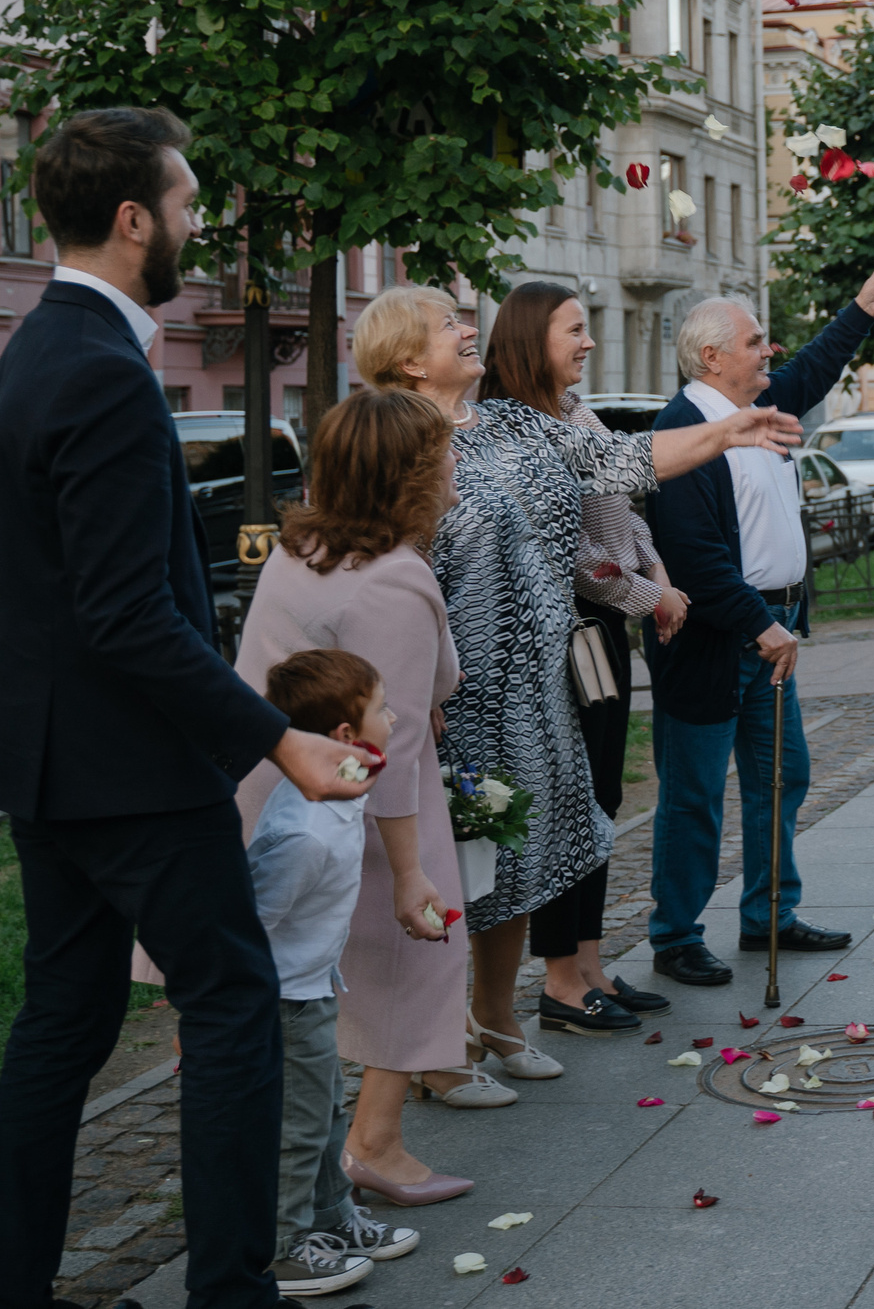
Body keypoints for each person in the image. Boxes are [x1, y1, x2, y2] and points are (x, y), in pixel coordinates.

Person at [0, 106, 372, 1309]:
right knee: (235, 1003)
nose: (199, 226)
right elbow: (125, 615)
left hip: (50, 767)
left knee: (64, 1022)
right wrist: (278, 741)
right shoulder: (102, 369)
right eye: (189, 205)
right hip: (132, 772)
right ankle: (232, 1291)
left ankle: (9, 1291)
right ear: (135, 218)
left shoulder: (38, 344)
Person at [352, 282, 801, 1077]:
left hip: (540, 684)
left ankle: (496, 1020)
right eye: (448, 323)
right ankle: (434, 1054)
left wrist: (728, 430)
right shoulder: (392, 441)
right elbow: (386, 576)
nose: (468, 330)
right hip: (455, 696)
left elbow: (624, 461)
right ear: (408, 361)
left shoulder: (512, 422)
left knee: (522, 858)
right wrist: (411, 690)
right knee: (452, 869)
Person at [228, 387, 496, 1215]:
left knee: (291, 967)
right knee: (420, 953)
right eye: (442, 453)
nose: (455, 464)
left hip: (270, 786)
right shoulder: (393, 579)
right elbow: (394, 745)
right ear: (407, 474)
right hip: (354, 796)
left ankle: (296, 1150)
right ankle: (374, 1145)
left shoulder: (301, 549)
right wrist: (413, 872)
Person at [642, 263, 874, 988]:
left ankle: (770, 913)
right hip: (716, 637)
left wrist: (862, 309)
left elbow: (813, 369)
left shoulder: (759, 407)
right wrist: (759, 623)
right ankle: (675, 934)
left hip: (772, 628)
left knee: (780, 776)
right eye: (754, 341)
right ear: (712, 357)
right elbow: (694, 558)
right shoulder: (683, 430)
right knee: (694, 792)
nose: (768, 351)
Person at [484, 284, 687, 1025]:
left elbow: (620, 513)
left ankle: (592, 965)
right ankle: (561, 980)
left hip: (602, 631)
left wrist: (655, 568)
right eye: (575, 329)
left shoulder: (575, 413)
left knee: (602, 795)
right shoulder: (516, 429)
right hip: (565, 634)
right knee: (570, 799)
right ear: (532, 338)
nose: (589, 341)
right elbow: (573, 556)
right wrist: (649, 595)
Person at [246, 648, 404, 1298]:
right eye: (382, 709)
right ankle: (283, 1249)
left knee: (325, 1114)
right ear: (345, 733)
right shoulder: (304, 832)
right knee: (299, 1127)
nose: (393, 718)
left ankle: (332, 1217)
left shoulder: (341, 789)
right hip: (284, 1000)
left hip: (312, 988)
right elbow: (249, 926)